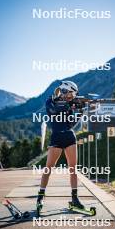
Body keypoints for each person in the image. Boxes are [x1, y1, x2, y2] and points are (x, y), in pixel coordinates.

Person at [37, 80, 84, 210]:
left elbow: (69, 124)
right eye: (71, 94)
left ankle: (75, 199)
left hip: (69, 137)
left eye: (73, 95)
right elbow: (54, 110)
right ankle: (40, 197)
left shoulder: (69, 104)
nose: (72, 97)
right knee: (48, 168)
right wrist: (70, 105)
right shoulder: (50, 101)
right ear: (64, 91)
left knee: (73, 169)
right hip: (56, 138)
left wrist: (80, 113)